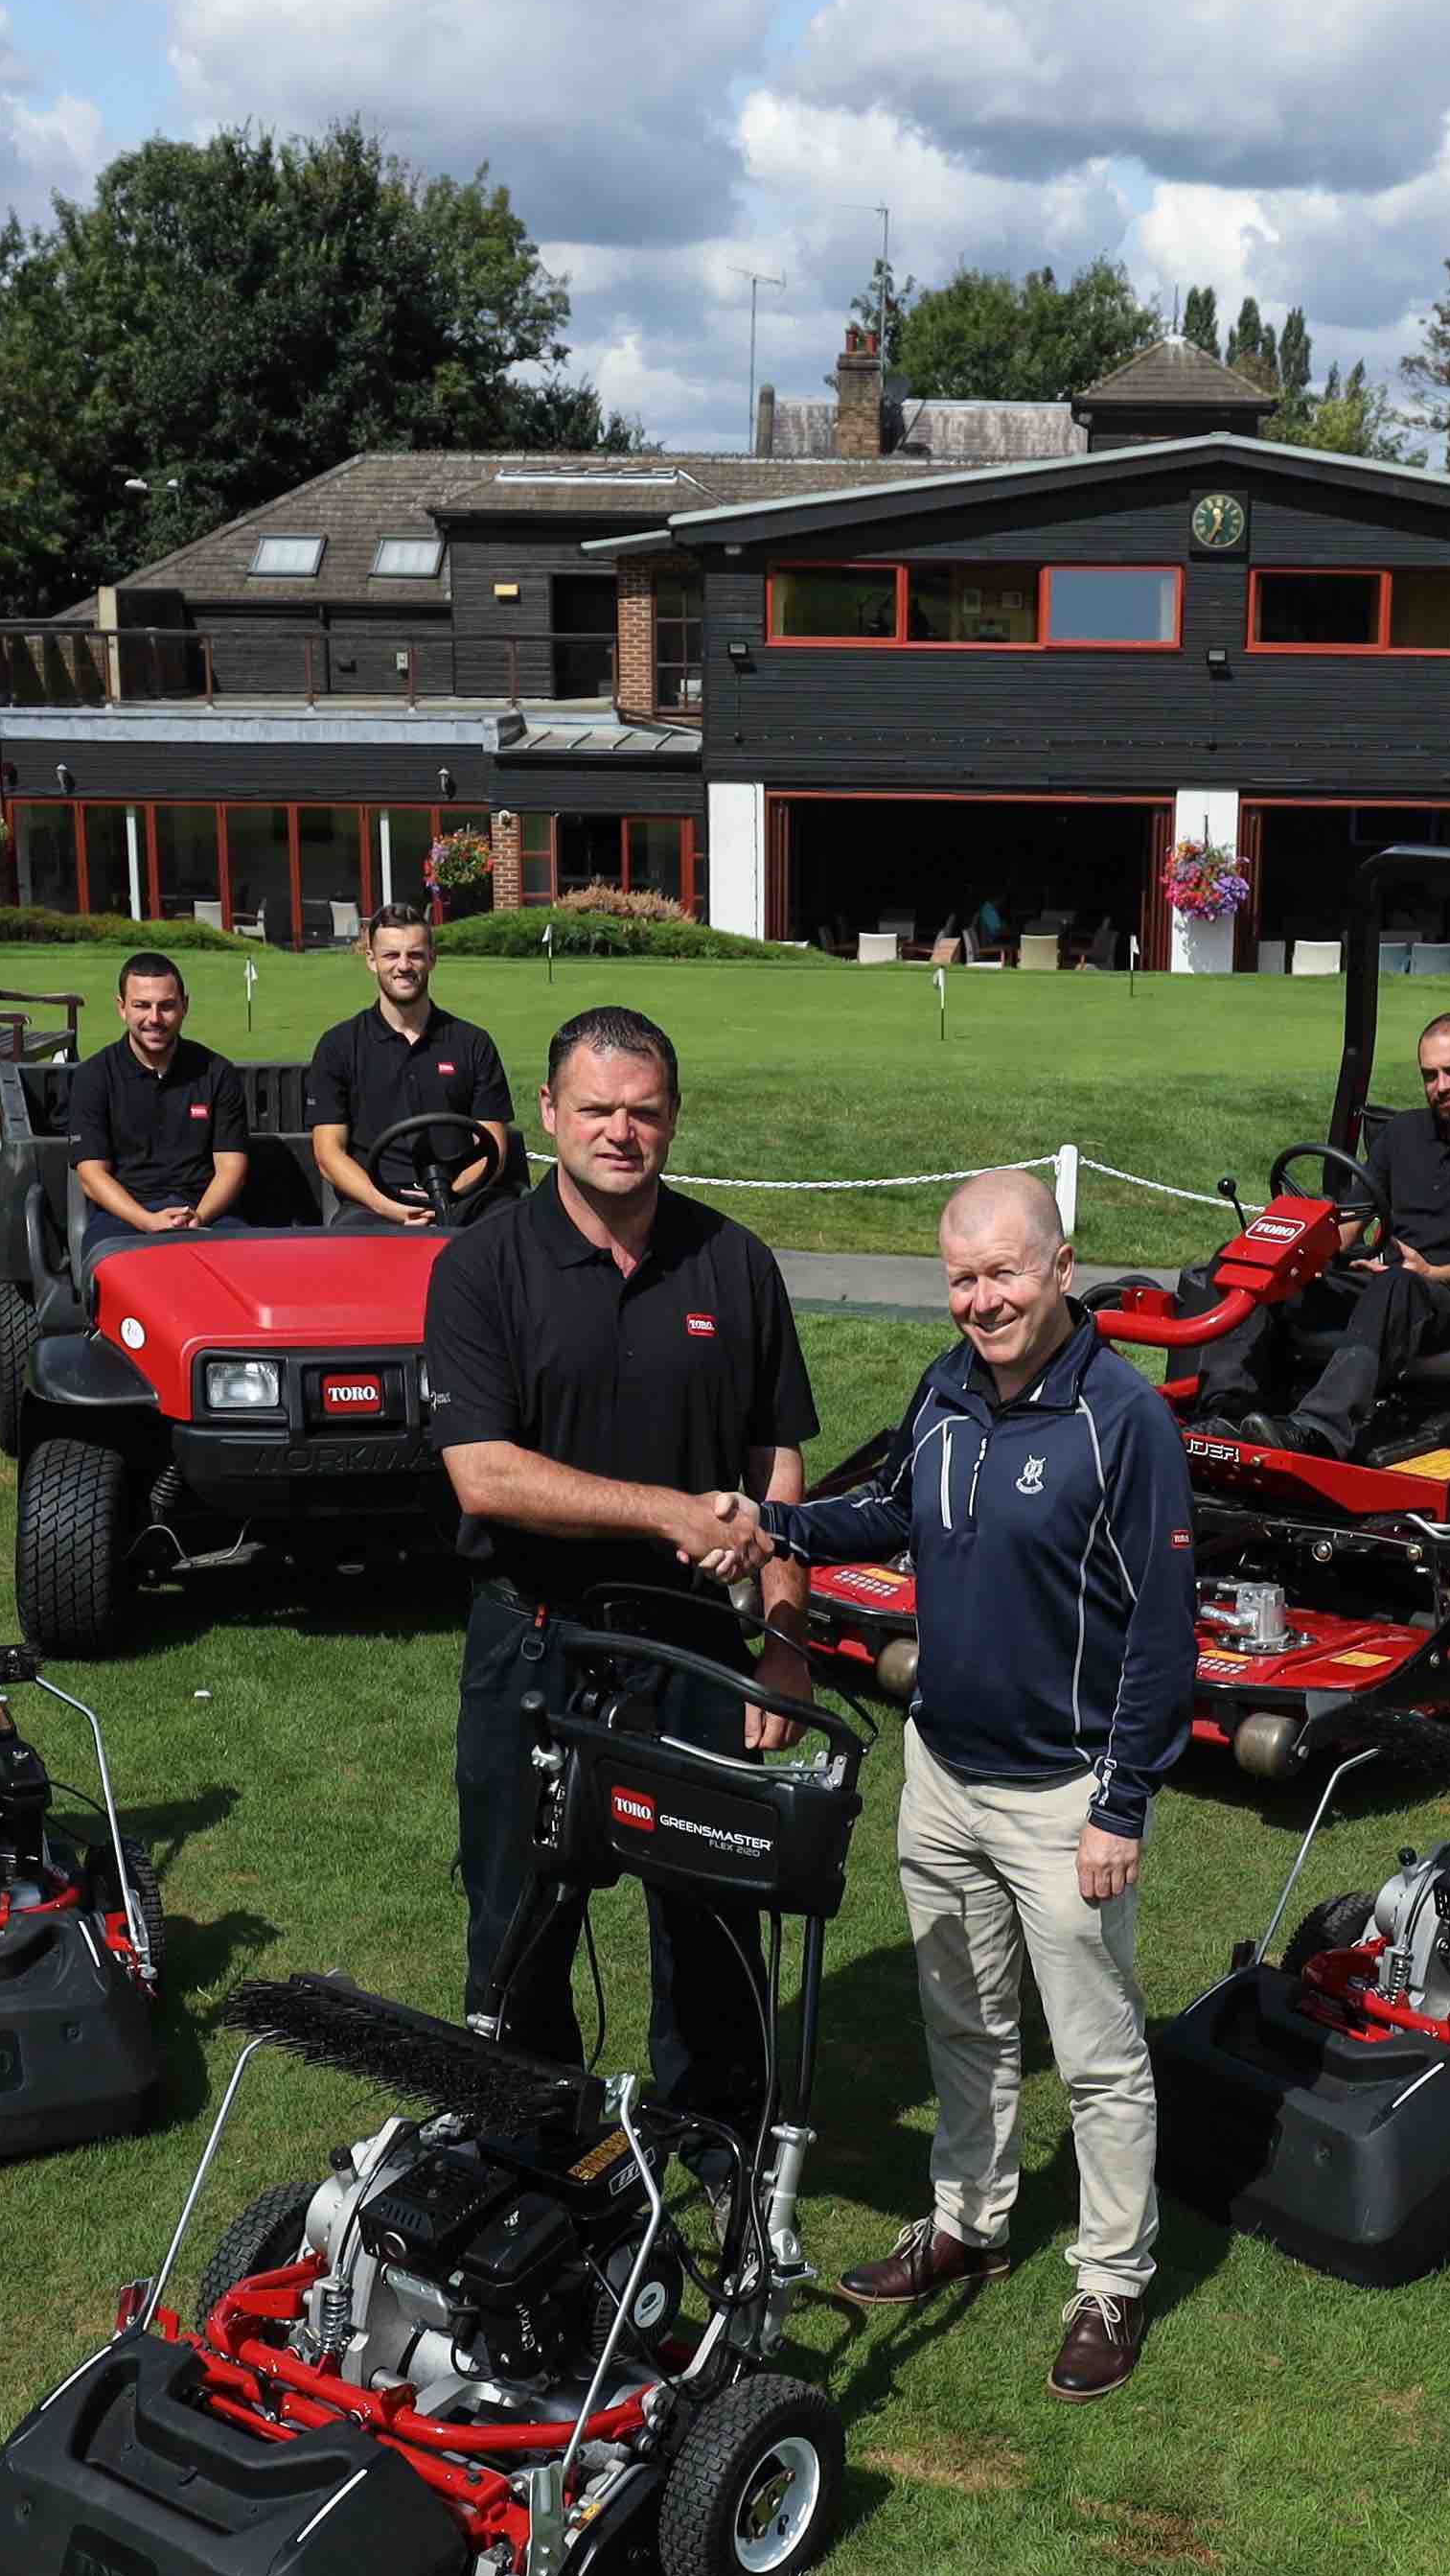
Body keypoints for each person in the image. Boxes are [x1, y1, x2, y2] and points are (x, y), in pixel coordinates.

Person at [740, 1171, 1194, 2401]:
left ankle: (1111, 2276)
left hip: (1065, 1796)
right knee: (962, 2017)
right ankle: (969, 2222)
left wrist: (1122, 1803)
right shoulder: (944, 1386)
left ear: (1060, 1264)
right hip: (940, 1768)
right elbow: (889, 1510)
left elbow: (1163, 1631)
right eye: (959, 1276)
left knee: (1095, 2055)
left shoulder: (1121, 1417)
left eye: (1001, 1271)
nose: (979, 1298)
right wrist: (775, 1526)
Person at [420, 1006, 820, 2118]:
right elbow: (484, 1475)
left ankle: (715, 2146)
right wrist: (665, 1511)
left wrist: (783, 1638)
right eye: (594, 1109)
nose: (619, 1132)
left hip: (694, 1642)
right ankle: (527, 2143)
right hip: (534, 1638)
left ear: (674, 1118)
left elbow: (775, 1459)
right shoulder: (481, 1266)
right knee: (518, 1917)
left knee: (711, 1908)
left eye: (643, 1111)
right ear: (547, 1113)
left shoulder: (731, 1261)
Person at [1279, 1010, 1450, 1451]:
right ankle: (1223, 1412)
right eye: (1430, 1075)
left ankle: (1317, 1432)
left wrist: (1432, 1274)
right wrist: (1285, 1251)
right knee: (1259, 1276)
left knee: (1397, 1285)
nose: (1441, 1086)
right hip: (1387, 1290)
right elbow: (1348, 1226)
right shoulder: (1402, 1133)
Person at [308, 908, 514, 1221]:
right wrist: (386, 1204)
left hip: (464, 1196)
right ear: (371, 960)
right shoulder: (339, 1046)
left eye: (415, 955)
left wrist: (450, 1198)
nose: (403, 966)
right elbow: (328, 1154)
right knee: (351, 1237)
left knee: (508, 1226)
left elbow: (493, 1148)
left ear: (432, 958)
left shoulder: (472, 1043)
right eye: (391, 955)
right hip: (373, 1203)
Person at [67, 953, 245, 1238]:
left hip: (207, 1213)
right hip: (124, 1218)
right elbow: (91, 1176)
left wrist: (198, 1216)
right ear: (122, 1008)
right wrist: (147, 1221)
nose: (154, 1018)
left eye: (166, 1006)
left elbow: (231, 1167)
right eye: (142, 1006)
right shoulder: (94, 1076)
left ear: (184, 1006)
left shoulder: (218, 1073)